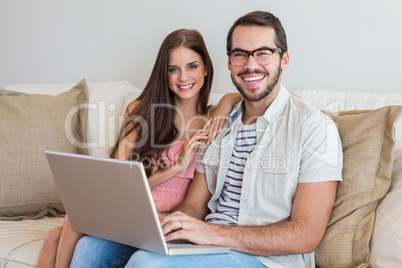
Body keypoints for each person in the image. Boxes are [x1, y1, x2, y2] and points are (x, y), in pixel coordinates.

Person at [71, 10, 343, 268]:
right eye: (240, 55)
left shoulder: (314, 129)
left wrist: (211, 233)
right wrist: (166, 222)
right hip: (204, 244)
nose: (250, 65)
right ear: (228, 62)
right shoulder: (218, 125)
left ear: (283, 59)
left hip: (266, 260)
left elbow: (306, 235)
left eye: (263, 53)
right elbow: (195, 205)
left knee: (146, 264)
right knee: (92, 246)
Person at [36, 28, 241, 268]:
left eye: (192, 66)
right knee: (55, 236)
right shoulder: (141, 111)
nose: (183, 77)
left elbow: (247, 97)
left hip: (165, 220)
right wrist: (175, 168)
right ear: (163, 74)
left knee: (59, 233)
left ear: (206, 68)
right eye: (173, 69)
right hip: (129, 211)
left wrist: (228, 99)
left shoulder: (212, 119)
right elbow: (119, 185)